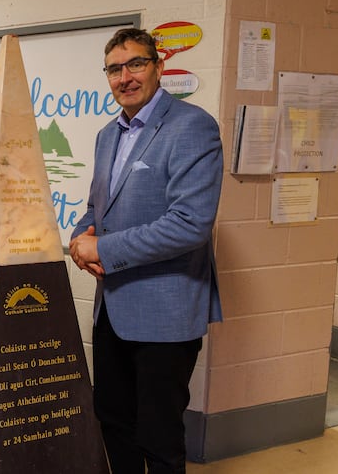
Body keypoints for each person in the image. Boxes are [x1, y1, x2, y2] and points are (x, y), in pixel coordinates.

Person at [69, 28, 223, 474]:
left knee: (158, 436)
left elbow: (190, 224)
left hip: (165, 314)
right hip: (112, 311)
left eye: (136, 64)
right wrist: (81, 244)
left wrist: (105, 247)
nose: (125, 77)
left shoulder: (192, 126)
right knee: (113, 420)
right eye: (115, 68)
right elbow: (98, 206)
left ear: (158, 67)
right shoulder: (107, 135)